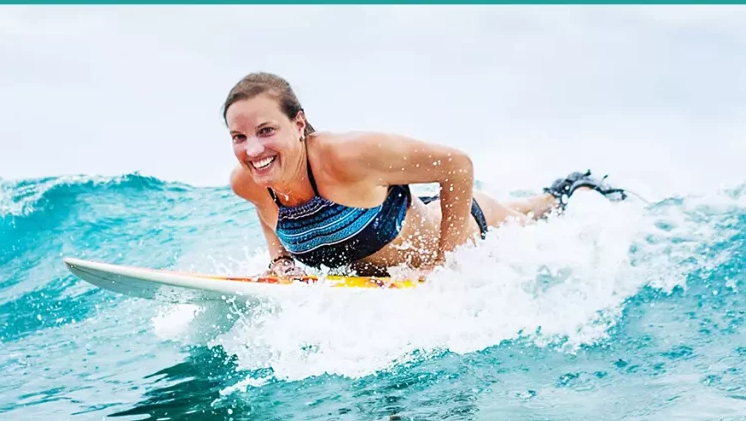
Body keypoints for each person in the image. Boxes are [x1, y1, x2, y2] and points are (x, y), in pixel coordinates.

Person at [223, 72, 627, 278]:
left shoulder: (349, 155)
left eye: (266, 131)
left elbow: (456, 166)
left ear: (298, 124)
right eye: (239, 137)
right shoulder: (250, 180)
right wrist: (280, 261)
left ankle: (570, 190)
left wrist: (444, 266)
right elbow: (268, 212)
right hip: (412, 222)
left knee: (537, 218)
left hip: (470, 228)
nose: (252, 150)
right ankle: (557, 192)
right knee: (524, 207)